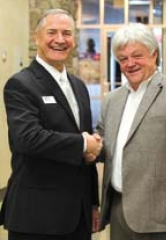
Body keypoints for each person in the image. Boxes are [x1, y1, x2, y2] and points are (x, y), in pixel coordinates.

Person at [96, 23, 166, 240]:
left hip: (162, 216)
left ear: (154, 54)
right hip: (119, 212)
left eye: (137, 55)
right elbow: (103, 142)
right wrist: (87, 144)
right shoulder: (112, 100)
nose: (130, 64)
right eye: (123, 59)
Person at [0, 9, 102, 240]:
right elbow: (27, 138)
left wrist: (92, 204)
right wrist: (83, 144)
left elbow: (84, 154)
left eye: (67, 33)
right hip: (37, 218)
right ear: (37, 38)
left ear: (74, 41)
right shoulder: (21, 84)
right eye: (52, 32)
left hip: (78, 216)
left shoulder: (78, 86)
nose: (59, 39)